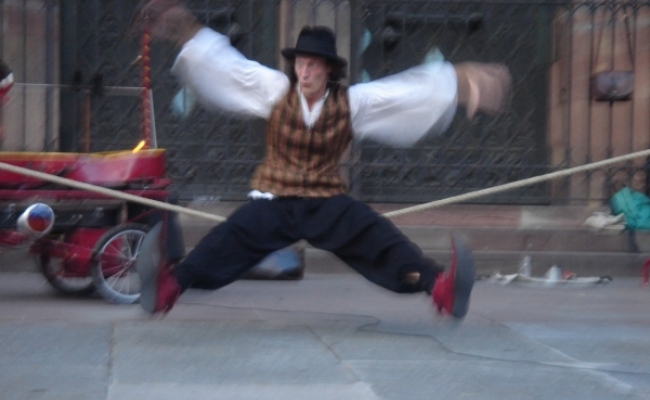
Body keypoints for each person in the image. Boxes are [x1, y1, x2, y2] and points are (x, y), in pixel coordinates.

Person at [134, 0, 511, 318]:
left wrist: (461, 82)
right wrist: (184, 26)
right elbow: (226, 67)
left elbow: (403, 93)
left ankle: (441, 288)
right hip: (276, 199)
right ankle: (169, 287)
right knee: (229, 239)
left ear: (328, 69)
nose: (305, 72)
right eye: (301, 64)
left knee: (377, 237)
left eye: (313, 65)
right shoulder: (274, 90)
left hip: (326, 202)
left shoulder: (352, 103)